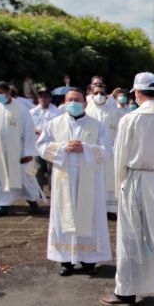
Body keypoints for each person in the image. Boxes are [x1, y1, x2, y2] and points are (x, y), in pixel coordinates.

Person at [99, 72, 154, 306]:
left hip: (138, 180)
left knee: (132, 237)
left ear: (137, 93)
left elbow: (120, 157)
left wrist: (120, 187)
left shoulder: (130, 119)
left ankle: (126, 290)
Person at [36, 88, 112, 277]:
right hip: (64, 178)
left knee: (89, 217)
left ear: (85, 103)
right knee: (64, 217)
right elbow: (41, 145)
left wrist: (85, 148)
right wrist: (63, 148)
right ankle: (66, 260)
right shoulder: (54, 124)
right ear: (64, 101)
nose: (73, 103)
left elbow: (107, 149)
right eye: (70, 100)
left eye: (77, 100)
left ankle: (89, 260)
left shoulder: (97, 125)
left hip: (89, 179)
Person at [0, 82, 45, 218]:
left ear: (8, 93)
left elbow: (29, 131)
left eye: (0, 92)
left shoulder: (21, 108)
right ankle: (2, 205)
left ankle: (33, 202)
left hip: (18, 152)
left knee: (26, 178)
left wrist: (28, 152)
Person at [85, 82, 121, 215]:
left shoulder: (113, 110)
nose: (99, 96)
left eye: (102, 93)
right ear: (91, 94)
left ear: (107, 95)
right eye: (96, 93)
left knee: (110, 179)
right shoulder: (87, 110)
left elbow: (118, 129)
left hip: (110, 151)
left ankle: (110, 209)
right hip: (93, 150)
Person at [29, 90, 61, 190]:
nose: (43, 99)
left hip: (51, 144)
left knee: (51, 169)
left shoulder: (56, 111)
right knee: (37, 169)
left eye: (45, 97)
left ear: (50, 99)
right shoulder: (32, 112)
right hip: (36, 145)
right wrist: (35, 130)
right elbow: (29, 126)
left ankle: (53, 191)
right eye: (41, 97)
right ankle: (39, 191)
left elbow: (58, 127)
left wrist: (44, 132)